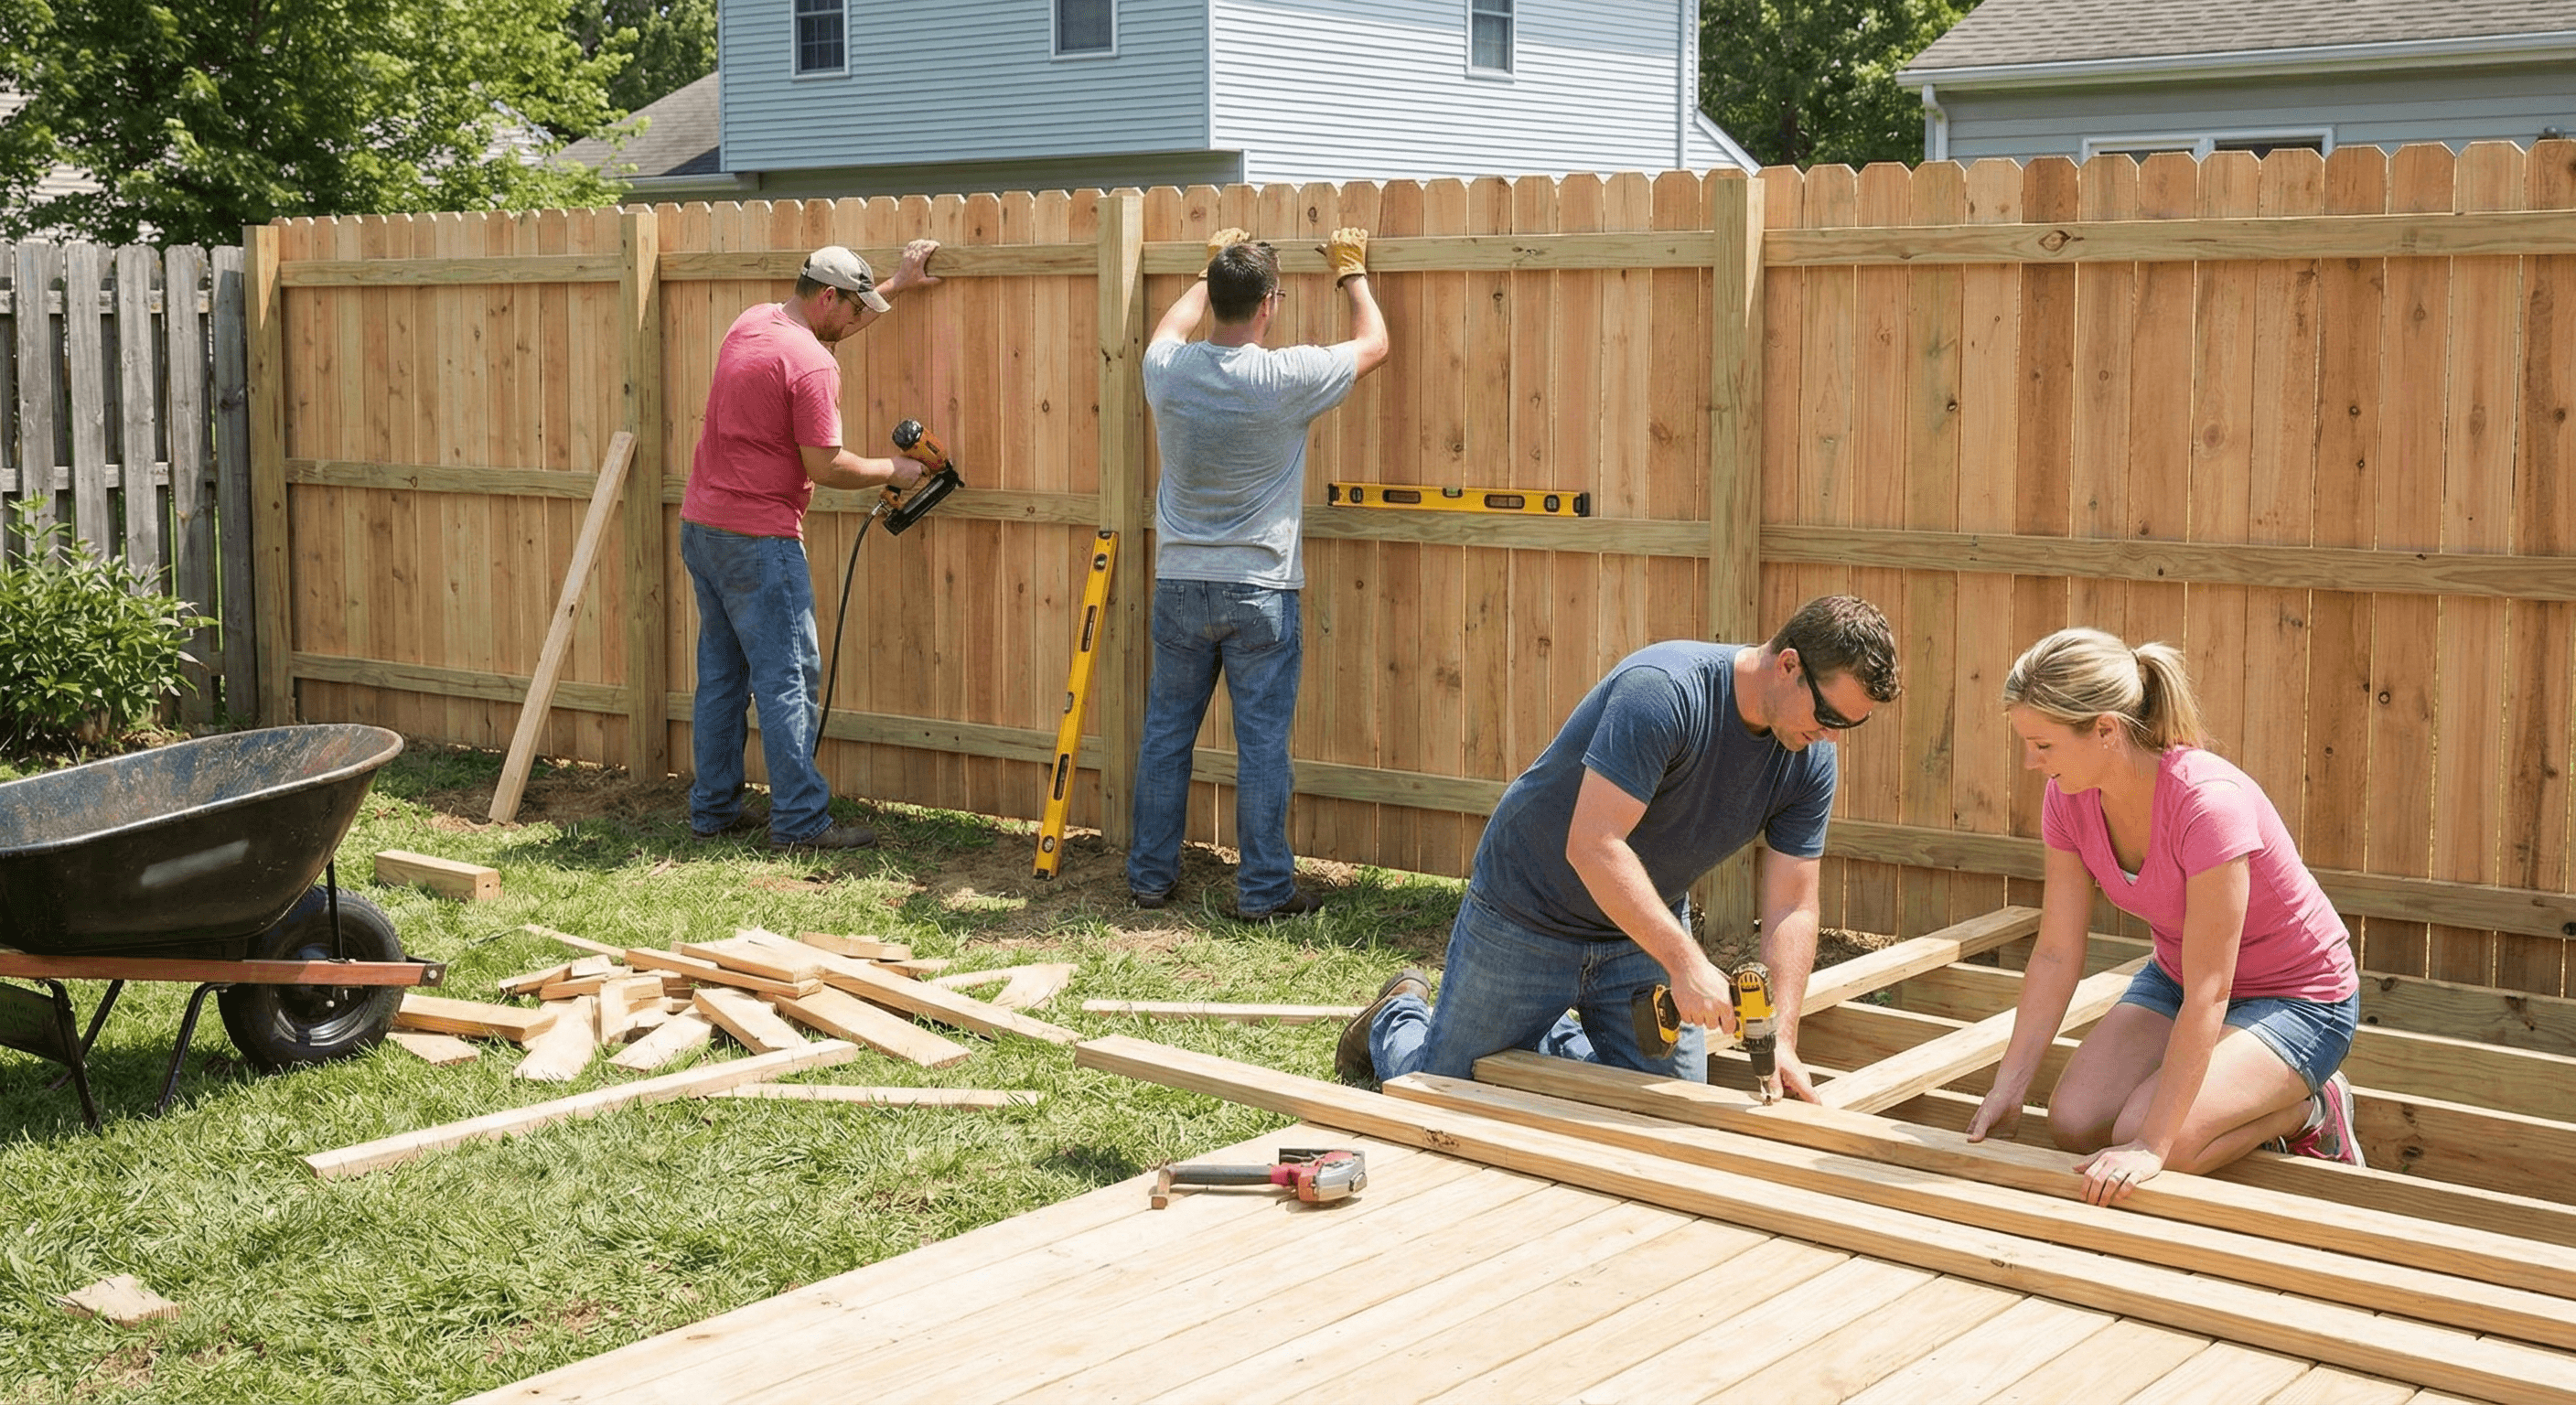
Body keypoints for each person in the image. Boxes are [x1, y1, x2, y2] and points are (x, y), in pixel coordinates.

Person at [1336, 595, 1903, 1095]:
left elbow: (1793, 906)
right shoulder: (1664, 692)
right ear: (1788, 665)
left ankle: (1548, 1032)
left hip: (1637, 935)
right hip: (1528, 914)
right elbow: (1594, 844)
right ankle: (1398, 1015)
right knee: (1447, 1090)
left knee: (1666, 1115)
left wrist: (1780, 1040)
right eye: (1829, 716)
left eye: (1847, 726)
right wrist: (1686, 962)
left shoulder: (1808, 760)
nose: (1831, 736)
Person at [1968, 627, 2364, 1207]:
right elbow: (2056, 951)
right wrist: (2010, 1086)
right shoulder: (2068, 797)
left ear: (2105, 729)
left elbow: (2214, 986)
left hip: (2300, 999)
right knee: (2074, 1122)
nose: (2030, 762)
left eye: (2044, 745)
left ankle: (2312, 1109)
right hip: (2177, 979)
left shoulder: (2207, 803)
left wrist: (2152, 1145)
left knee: (2156, 1142)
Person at [1124, 226, 1390, 920]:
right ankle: (1265, 891)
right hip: (1260, 590)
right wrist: (1350, 272)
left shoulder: (1168, 371)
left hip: (1180, 583)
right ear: (1270, 303)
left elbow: (1170, 326)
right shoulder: (1285, 378)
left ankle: (1150, 878)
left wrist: (1209, 264)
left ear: (1214, 295)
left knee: (1164, 735)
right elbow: (1375, 346)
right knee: (1263, 744)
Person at [681, 241, 940, 852]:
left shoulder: (753, 323)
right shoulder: (814, 365)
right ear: (828, 297)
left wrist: (896, 286)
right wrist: (892, 471)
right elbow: (825, 465)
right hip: (759, 543)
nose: (856, 323)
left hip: (703, 528)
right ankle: (799, 821)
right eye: (855, 310)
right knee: (788, 679)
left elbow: (821, 338)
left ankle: (713, 808)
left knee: (721, 677)